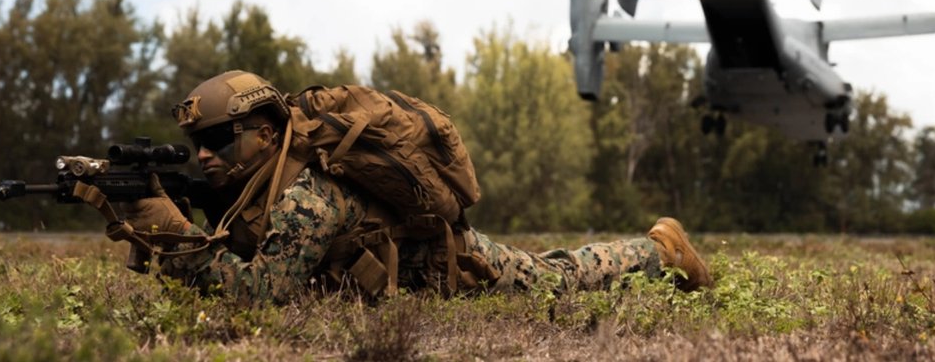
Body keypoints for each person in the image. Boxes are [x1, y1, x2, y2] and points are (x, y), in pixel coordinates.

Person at [119, 70, 711, 304]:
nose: (205, 154)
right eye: (199, 143)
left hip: (446, 262)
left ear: (268, 135)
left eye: (220, 139)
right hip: (416, 256)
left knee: (558, 277)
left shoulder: (307, 196)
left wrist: (164, 228)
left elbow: (254, 293)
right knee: (555, 272)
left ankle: (660, 251)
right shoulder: (270, 179)